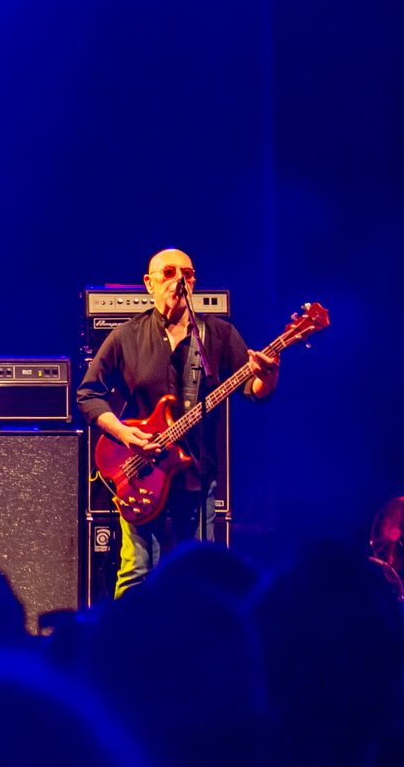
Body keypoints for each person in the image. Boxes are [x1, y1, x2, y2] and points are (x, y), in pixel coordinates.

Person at [78, 247, 276, 597]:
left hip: (196, 472)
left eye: (187, 273)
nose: (179, 279)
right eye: (168, 272)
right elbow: (89, 393)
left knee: (200, 577)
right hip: (140, 471)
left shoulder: (218, 334)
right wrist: (124, 434)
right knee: (137, 572)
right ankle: (130, 631)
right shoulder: (126, 336)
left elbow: (252, 391)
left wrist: (268, 376)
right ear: (149, 283)